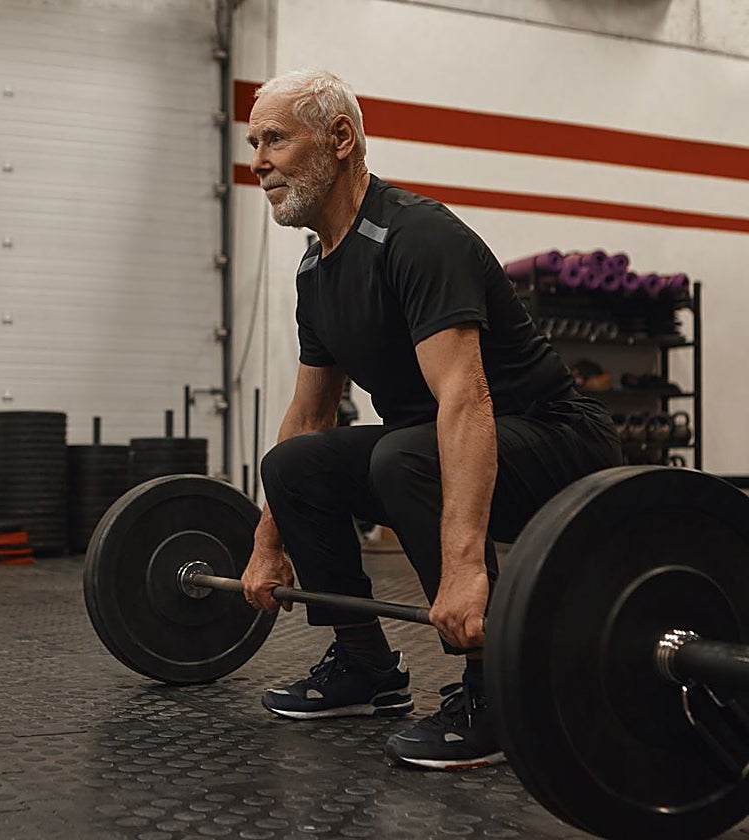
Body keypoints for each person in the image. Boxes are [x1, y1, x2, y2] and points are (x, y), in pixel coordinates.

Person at [240, 69, 622, 770]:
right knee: (293, 464)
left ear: (341, 139)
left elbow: (466, 399)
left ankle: (498, 692)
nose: (257, 160)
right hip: (445, 442)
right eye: (253, 142)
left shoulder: (415, 237)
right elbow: (309, 415)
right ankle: (364, 667)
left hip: (558, 438)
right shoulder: (315, 270)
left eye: (275, 139)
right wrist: (269, 539)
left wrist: (466, 568)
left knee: (403, 458)